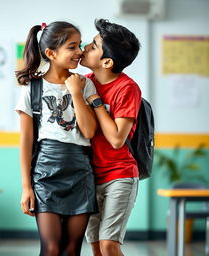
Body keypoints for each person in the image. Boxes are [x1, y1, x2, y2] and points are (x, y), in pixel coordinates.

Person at [15, 21, 98, 256]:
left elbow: (90, 131)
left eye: (80, 45)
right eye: (72, 47)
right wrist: (26, 187)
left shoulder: (85, 83)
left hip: (80, 171)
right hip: (45, 173)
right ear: (51, 53)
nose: (80, 52)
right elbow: (26, 141)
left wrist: (75, 93)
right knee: (51, 249)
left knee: (71, 250)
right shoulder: (32, 88)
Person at [80, 19, 142, 256]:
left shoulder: (127, 88)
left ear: (107, 61)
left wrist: (96, 102)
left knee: (109, 244)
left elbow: (117, 139)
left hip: (119, 175)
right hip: (90, 176)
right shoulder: (85, 81)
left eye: (93, 46)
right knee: (96, 246)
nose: (85, 47)